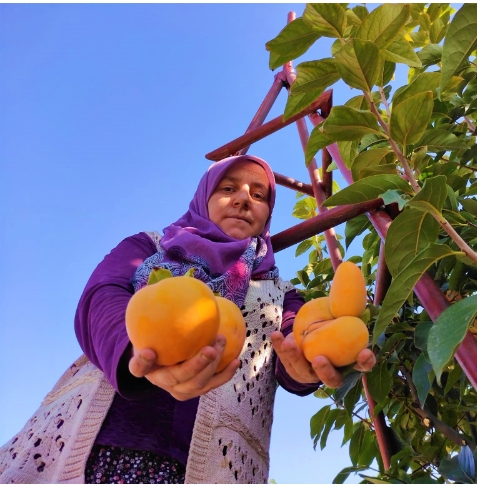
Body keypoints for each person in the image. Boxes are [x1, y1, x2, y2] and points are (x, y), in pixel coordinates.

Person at [0, 155, 375, 484]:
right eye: (229, 188)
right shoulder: (150, 246)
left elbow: (294, 343)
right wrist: (137, 355)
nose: (244, 199)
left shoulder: (279, 292)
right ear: (203, 197)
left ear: (267, 215)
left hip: (213, 469)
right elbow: (101, 296)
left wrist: (306, 364)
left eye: (259, 196)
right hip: (99, 444)